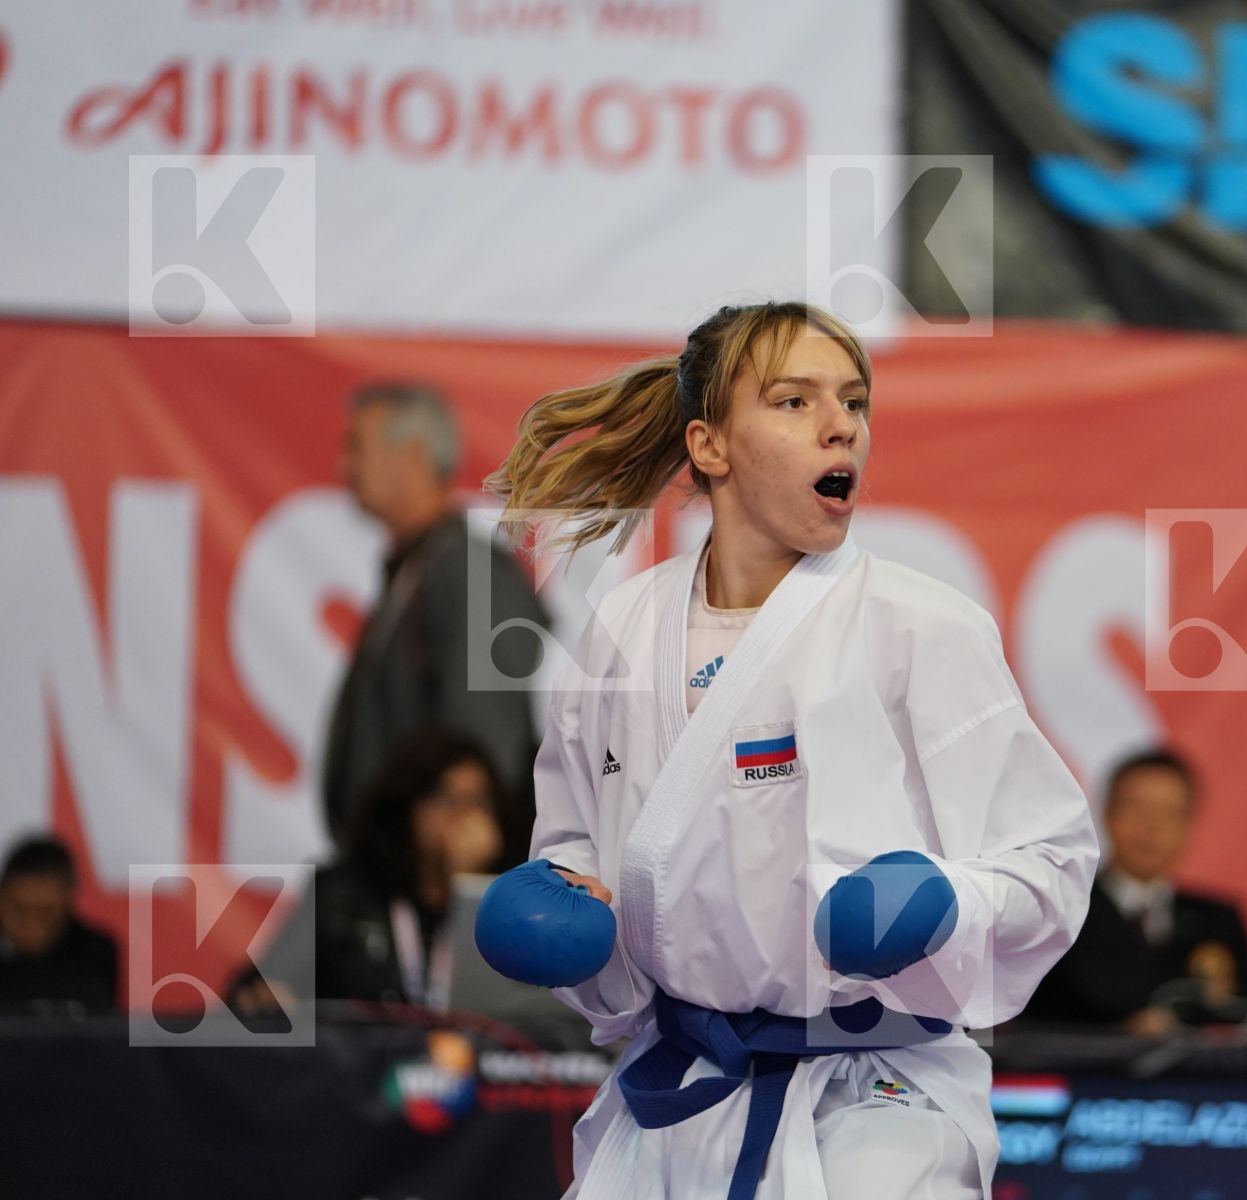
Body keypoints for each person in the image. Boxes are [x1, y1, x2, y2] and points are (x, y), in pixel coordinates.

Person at [484, 301, 1098, 1199]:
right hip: (684, 1087)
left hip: (878, 1102)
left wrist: (945, 902)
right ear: (709, 446)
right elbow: (582, 845)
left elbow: (1053, 861)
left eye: (853, 401)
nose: (841, 422)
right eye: (794, 401)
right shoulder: (624, 628)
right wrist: (572, 921)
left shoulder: (920, 627)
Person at [323, 379, 547, 862]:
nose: (344, 466)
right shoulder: (426, 568)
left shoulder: (469, 573)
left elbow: (483, 749)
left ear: (412, 455)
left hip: (435, 883)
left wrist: (453, 859)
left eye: (356, 447)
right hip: (406, 875)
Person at [237, 727, 506, 1010]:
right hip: (360, 1051)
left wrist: (474, 882)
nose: (465, 817)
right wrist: (269, 998)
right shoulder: (342, 894)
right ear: (408, 807)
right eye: (447, 800)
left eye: (479, 802)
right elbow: (259, 989)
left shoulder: (509, 896)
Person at [1023, 748, 1247, 1035]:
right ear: (1107, 814)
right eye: (1138, 808)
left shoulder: (1217, 918)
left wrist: (1212, 1007)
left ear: (1189, 825)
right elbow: (1023, 1016)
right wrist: (1124, 1031)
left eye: (1170, 813)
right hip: (1086, 1075)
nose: (1152, 827)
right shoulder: (1064, 906)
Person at [0, 836, 117, 1015]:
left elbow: (98, 1032)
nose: (31, 926)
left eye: (46, 913)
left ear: (68, 903)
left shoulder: (95, 953)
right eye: (19, 910)